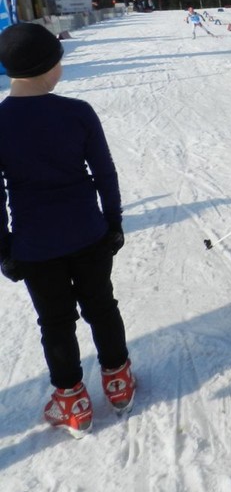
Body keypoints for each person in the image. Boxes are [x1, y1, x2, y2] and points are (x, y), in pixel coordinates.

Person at [0, 23, 136, 438]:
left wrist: (5, 248)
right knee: (101, 305)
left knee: (55, 321)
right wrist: (112, 222)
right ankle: (118, 380)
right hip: (89, 234)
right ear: (48, 67)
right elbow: (104, 173)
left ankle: (72, 400)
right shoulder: (77, 112)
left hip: (35, 245)